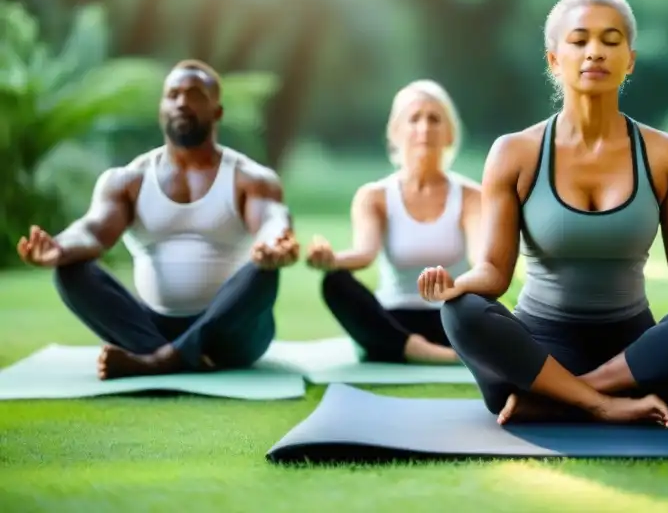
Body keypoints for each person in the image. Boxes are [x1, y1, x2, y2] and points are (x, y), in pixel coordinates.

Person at [418, 0, 668, 428]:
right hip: (537, 352)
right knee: (462, 312)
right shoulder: (515, 153)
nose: (595, 51)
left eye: (610, 40)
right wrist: (456, 285)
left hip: (634, 357)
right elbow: (494, 273)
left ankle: (560, 400)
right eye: (579, 41)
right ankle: (602, 403)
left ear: (630, 61)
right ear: (555, 60)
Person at [16, 59, 299, 380]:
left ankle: (158, 361)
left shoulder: (251, 178)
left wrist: (276, 242)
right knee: (69, 270)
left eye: (194, 94)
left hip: (232, 334)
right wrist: (60, 247)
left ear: (216, 111)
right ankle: (170, 355)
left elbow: (272, 219)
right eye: (173, 94)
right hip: (151, 328)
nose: (181, 102)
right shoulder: (127, 180)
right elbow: (93, 230)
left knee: (264, 271)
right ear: (161, 108)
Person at [305, 80, 481, 365]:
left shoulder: (473, 197)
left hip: (452, 317)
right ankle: (424, 352)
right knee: (335, 283)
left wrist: (457, 286)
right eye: (414, 119)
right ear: (395, 133)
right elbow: (364, 254)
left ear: (450, 134)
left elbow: (482, 259)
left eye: (434, 119)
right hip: (394, 319)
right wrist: (331, 259)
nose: (424, 128)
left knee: (487, 303)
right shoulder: (374, 196)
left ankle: (403, 351)